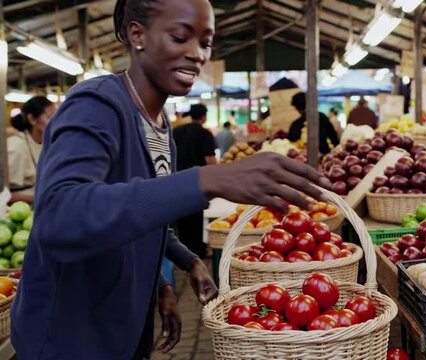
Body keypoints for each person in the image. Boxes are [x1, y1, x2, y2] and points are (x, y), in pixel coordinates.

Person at [11, 1, 328, 359]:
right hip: (68, 337)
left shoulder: (160, 125)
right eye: (180, 37)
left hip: (121, 325)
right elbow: (59, 216)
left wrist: (175, 269)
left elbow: (139, 210)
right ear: (137, 34)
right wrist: (205, 178)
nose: (197, 54)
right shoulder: (95, 104)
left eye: (205, 42)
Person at [172, 103, 217, 258]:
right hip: (197, 181)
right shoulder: (205, 134)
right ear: (204, 117)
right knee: (196, 217)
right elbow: (210, 160)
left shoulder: (176, 131)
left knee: (182, 218)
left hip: (176, 179)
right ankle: (196, 252)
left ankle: (183, 251)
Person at [7, 96, 56, 204]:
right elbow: (4, 194)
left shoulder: (46, 144)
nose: (57, 122)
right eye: (50, 117)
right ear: (32, 119)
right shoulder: (17, 147)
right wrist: (40, 199)